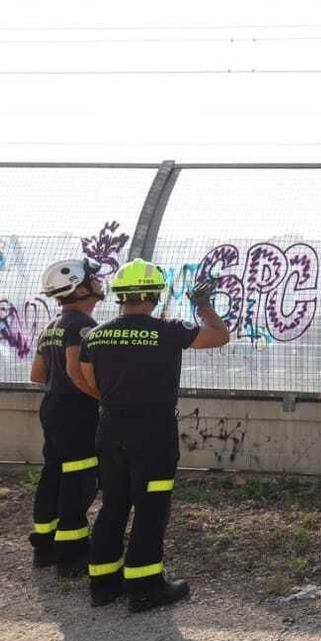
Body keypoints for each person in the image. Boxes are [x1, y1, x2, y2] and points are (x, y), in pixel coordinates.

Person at [79, 259, 228, 611]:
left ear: (120, 295)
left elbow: (89, 382)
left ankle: (103, 584)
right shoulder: (168, 330)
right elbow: (220, 336)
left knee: (113, 504)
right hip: (153, 433)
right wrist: (203, 305)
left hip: (110, 428)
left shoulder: (96, 335)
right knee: (151, 507)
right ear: (153, 295)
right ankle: (145, 587)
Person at [28, 259, 106, 575]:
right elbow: (77, 374)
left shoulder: (51, 327)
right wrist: (107, 400)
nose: (100, 281)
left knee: (54, 474)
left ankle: (44, 545)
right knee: (80, 479)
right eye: (93, 278)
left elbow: (37, 374)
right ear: (81, 287)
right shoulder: (80, 326)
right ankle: (72, 553)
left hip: (53, 408)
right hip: (77, 412)